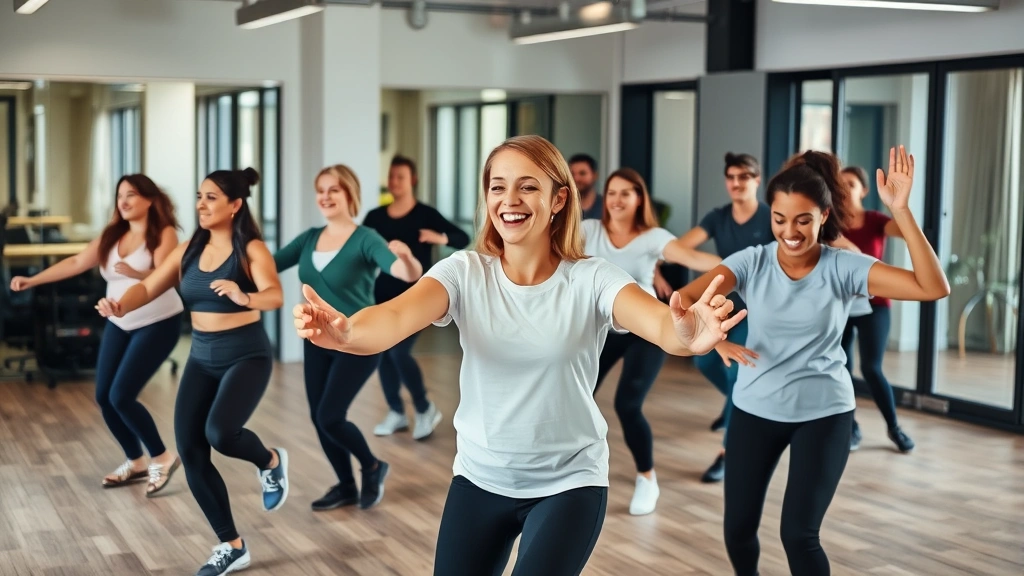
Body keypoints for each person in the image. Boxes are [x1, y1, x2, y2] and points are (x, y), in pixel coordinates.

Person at [292, 135, 744, 576]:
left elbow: (662, 326)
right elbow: (392, 319)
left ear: (559, 199)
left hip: (569, 482)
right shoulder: (464, 272)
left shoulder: (593, 279)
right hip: (479, 477)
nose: (511, 199)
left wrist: (687, 334)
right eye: (498, 186)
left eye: (528, 186)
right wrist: (348, 332)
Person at [676, 146, 948, 576]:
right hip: (755, 409)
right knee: (738, 530)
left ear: (823, 215)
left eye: (803, 220)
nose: (790, 231)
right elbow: (687, 301)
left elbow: (932, 287)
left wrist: (902, 210)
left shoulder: (845, 267)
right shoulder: (751, 263)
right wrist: (714, 341)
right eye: (780, 219)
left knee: (798, 535)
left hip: (824, 413)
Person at [96, 168, 288, 576]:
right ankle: (231, 545)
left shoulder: (251, 249)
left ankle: (270, 461)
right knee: (192, 449)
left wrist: (244, 294)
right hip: (202, 358)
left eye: (212, 197)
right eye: (200, 196)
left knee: (221, 433)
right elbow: (148, 287)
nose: (201, 204)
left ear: (235, 205)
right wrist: (120, 306)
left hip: (246, 355)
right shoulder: (187, 250)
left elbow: (274, 294)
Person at [12, 174, 183, 495]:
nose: (124, 201)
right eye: (120, 196)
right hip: (119, 321)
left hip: (158, 322)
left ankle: (162, 456)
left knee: (121, 395)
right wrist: (33, 281)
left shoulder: (164, 233)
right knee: (104, 396)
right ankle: (136, 461)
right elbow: (77, 261)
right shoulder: (111, 235)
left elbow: (167, 276)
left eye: (132, 194)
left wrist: (137, 273)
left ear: (150, 199)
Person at [275, 164, 422, 512]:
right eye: (321, 190)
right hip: (317, 341)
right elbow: (267, 264)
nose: (325, 197)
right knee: (319, 417)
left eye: (334, 190)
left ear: (349, 195)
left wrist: (408, 259)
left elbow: (403, 272)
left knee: (330, 415)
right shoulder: (309, 238)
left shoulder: (366, 238)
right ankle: (345, 485)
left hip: (358, 340)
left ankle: (372, 466)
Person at [581, 167, 720, 516]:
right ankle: (574, 468)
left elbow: (694, 258)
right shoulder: (587, 231)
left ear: (639, 198)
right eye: (611, 193)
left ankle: (647, 478)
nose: (616, 200)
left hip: (643, 328)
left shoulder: (652, 236)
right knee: (576, 396)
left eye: (626, 193)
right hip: (601, 329)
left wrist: (740, 266)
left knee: (628, 405)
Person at [672, 152, 773, 483]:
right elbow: (678, 248)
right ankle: (738, 405)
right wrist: (719, 264)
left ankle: (729, 452)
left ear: (757, 180)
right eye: (731, 177)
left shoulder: (770, 217)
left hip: (754, 310)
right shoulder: (718, 217)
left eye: (744, 176)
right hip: (718, 308)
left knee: (735, 374)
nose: (736, 183)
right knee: (705, 363)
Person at [364, 155, 469, 440]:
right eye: (391, 176)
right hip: (383, 297)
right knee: (382, 353)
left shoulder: (426, 214)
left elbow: (462, 237)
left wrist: (440, 238)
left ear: (413, 180)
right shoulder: (375, 217)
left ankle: (425, 407)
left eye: (400, 176)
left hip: (419, 298)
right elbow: (360, 248)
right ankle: (396, 412)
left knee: (398, 351)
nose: (394, 181)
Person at [839, 165, 915, 453]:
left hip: (875, 304)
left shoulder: (874, 220)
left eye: (851, 183)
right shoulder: (829, 222)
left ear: (864, 190)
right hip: (842, 304)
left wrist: (899, 205)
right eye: (840, 184)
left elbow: (908, 232)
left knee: (871, 368)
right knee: (840, 366)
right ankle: (851, 428)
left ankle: (894, 428)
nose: (845, 189)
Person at [569, 153, 602, 220]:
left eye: (582, 173)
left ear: (595, 175)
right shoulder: (561, 206)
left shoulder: (606, 207)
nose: (576, 178)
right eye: (572, 174)